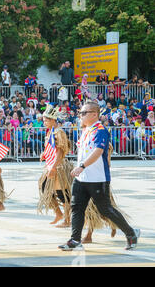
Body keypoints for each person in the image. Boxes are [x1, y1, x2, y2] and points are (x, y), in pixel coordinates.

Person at [58, 101, 140, 251]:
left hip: (97, 178)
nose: (80, 115)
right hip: (81, 178)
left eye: (84, 113)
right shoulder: (86, 130)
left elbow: (98, 152)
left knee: (105, 209)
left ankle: (131, 233)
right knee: (76, 208)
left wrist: (82, 166)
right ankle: (75, 240)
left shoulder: (100, 130)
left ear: (94, 114)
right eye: (80, 112)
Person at [38, 104, 73, 228]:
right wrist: (44, 154)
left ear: (53, 120)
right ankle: (58, 213)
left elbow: (60, 151)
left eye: (46, 120)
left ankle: (67, 220)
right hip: (50, 165)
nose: (44, 122)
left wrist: (53, 167)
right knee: (44, 188)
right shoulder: (51, 132)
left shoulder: (59, 132)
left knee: (62, 194)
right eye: (44, 120)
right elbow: (51, 150)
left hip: (58, 167)